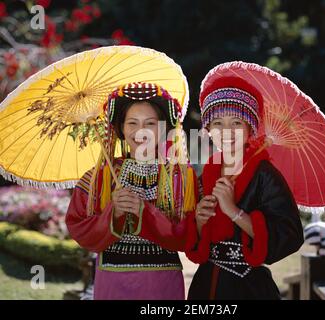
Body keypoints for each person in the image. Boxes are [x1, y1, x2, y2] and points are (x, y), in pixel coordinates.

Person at [66, 82, 196, 300]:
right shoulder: (100, 177)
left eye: (150, 123)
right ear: (121, 128)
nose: (141, 132)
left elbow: (190, 236)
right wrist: (113, 213)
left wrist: (146, 213)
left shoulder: (180, 177)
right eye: (132, 123)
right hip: (112, 283)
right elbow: (78, 227)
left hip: (160, 285)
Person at [185, 71, 304, 300]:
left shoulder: (265, 175)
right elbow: (196, 235)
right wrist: (199, 221)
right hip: (206, 284)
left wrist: (234, 211)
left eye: (236, 123)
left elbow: (289, 234)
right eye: (217, 123)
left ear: (251, 128)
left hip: (249, 287)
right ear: (207, 129)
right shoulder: (207, 174)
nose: (226, 132)